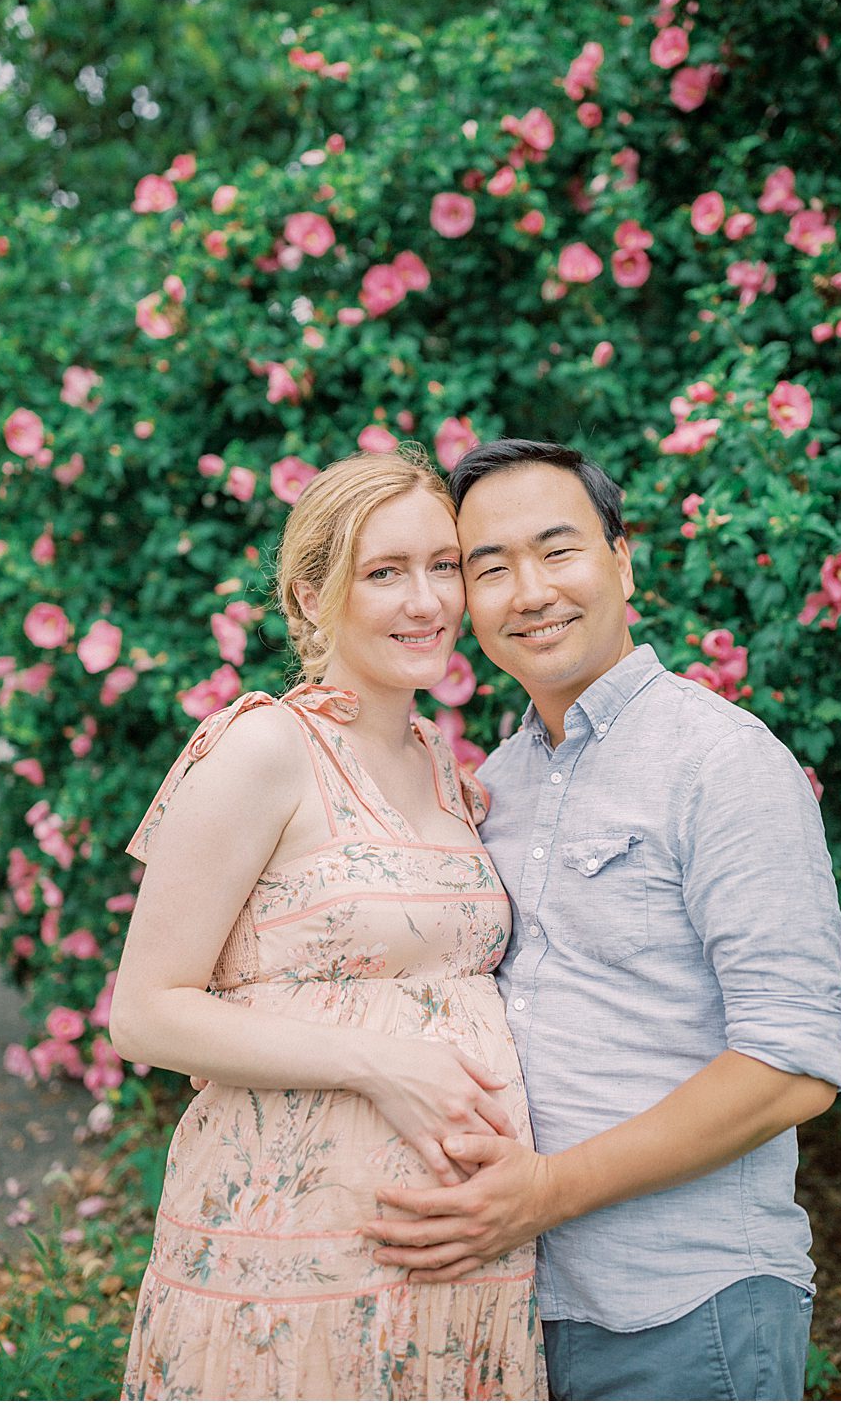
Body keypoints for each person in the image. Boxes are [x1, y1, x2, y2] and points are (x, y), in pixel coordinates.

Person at [365, 439, 841, 1402]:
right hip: (515, 1307)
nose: (528, 590)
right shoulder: (496, 784)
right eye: (489, 567)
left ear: (622, 560)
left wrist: (547, 1190)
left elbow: (792, 1065)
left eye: (558, 550)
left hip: (688, 1306)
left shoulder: (721, 761)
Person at [109, 447, 546, 1401]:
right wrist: (386, 1064)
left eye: (444, 565)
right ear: (310, 598)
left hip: (459, 1261)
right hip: (293, 1258)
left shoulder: (442, 762)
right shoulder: (265, 746)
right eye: (384, 572)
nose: (427, 600)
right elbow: (143, 1013)